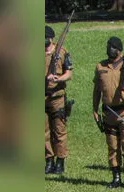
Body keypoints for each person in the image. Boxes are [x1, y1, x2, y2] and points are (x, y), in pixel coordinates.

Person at [92, 36, 124, 189]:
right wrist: (94, 108)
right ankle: (116, 177)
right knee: (112, 146)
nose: (109, 49)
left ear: (119, 50)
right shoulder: (100, 67)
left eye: (112, 46)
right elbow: (97, 89)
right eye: (108, 46)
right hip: (108, 112)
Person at [45, 25, 73, 175]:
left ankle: (60, 161)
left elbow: (69, 73)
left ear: (50, 38)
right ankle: (48, 160)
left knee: (59, 131)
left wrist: (58, 78)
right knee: (43, 131)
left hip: (57, 97)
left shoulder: (61, 52)